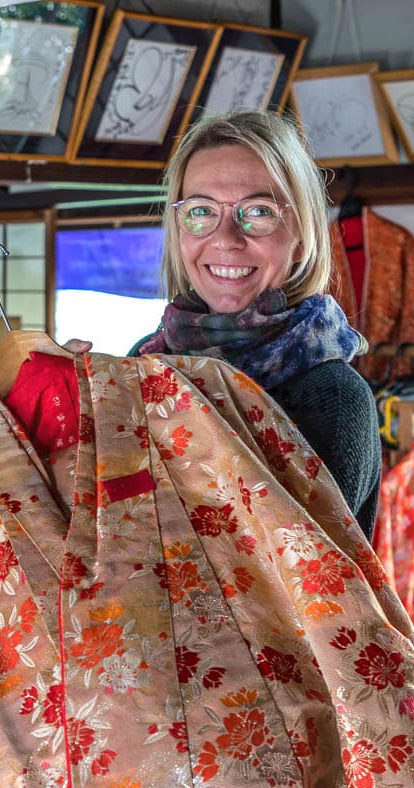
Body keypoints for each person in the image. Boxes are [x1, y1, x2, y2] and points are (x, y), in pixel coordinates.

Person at [90, 110, 381, 535]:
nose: (225, 238)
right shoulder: (147, 361)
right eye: (201, 211)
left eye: (259, 211)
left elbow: (284, 568)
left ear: (301, 237)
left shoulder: (331, 396)